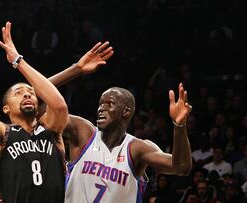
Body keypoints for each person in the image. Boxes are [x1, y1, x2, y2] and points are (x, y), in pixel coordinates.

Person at [0, 20, 111, 203]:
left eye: (30, 93)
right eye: (18, 93)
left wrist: (17, 61)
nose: (26, 95)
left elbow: (59, 104)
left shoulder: (51, 129)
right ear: (6, 108)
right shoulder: (2, 134)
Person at [46, 61, 192, 202]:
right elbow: (36, 99)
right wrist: (76, 69)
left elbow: (182, 167)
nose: (101, 108)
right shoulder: (84, 133)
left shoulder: (136, 149)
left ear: (126, 112)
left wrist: (179, 126)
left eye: (109, 104)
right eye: (100, 104)